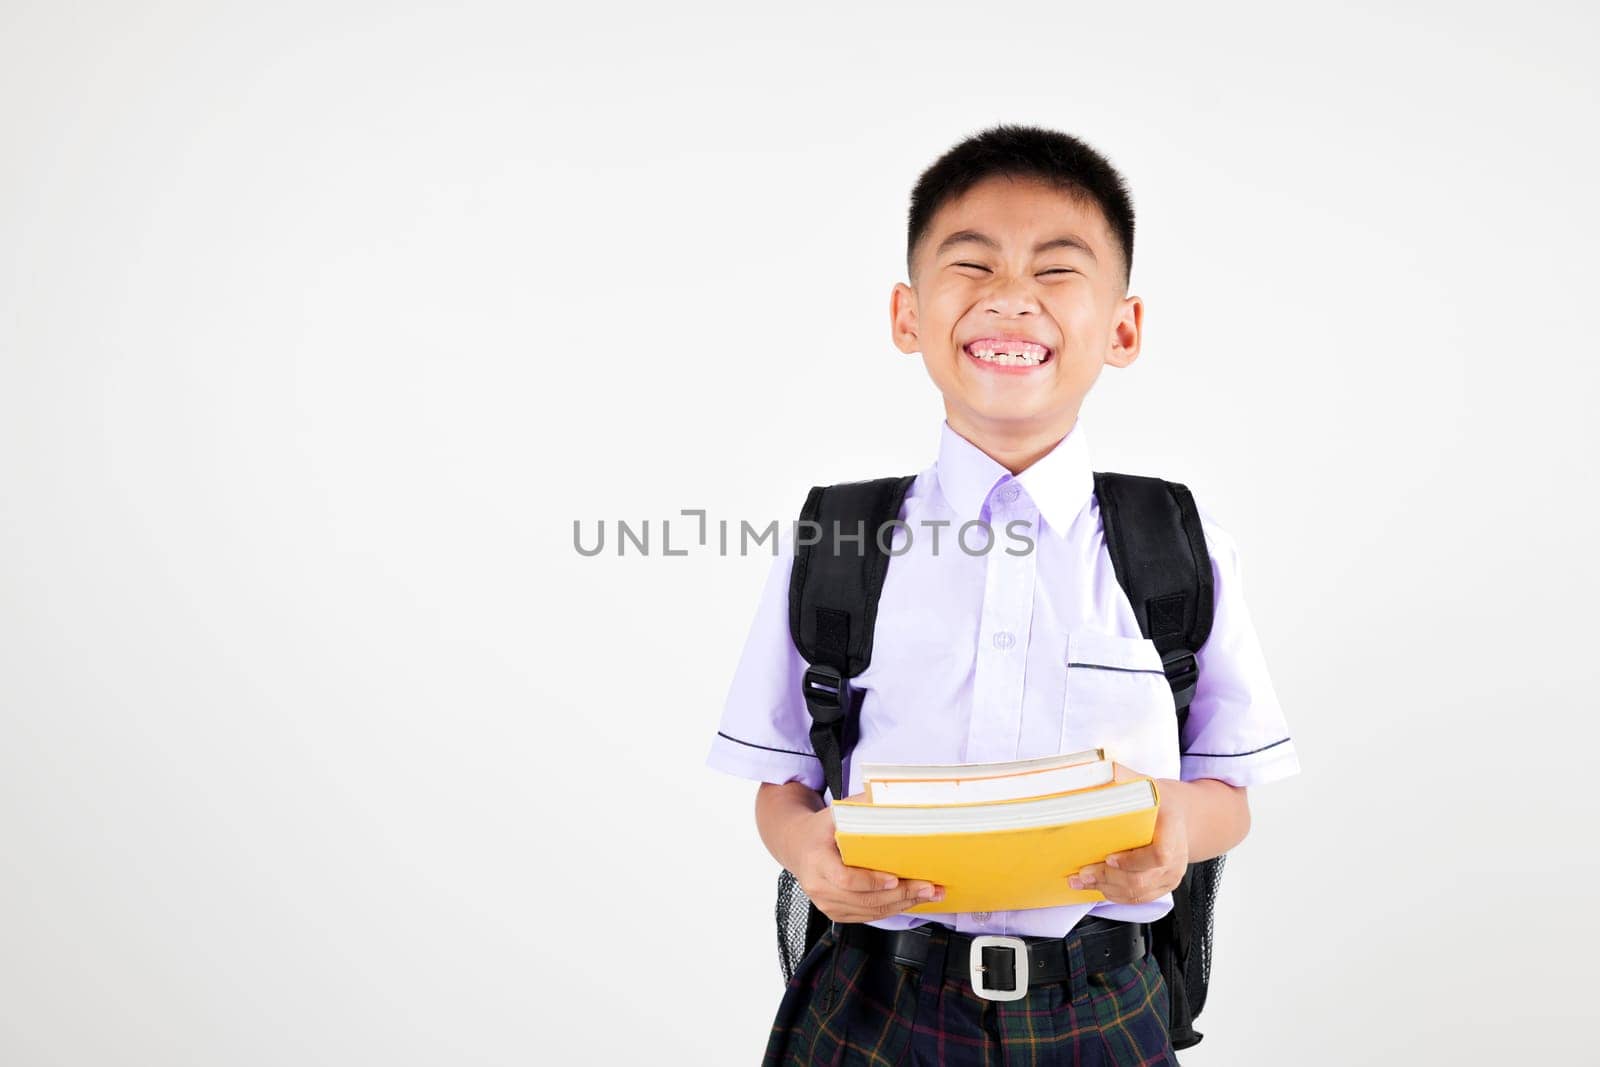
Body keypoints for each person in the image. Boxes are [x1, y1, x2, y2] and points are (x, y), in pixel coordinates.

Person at [705, 123, 1301, 1066]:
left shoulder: (1177, 549)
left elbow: (1231, 786)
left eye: (1057, 271)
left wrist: (1180, 822)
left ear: (1123, 327)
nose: (1011, 298)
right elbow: (784, 782)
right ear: (907, 315)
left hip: (1101, 1005)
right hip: (871, 1001)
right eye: (971, 265)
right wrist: (804, 849)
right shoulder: (840, 542)